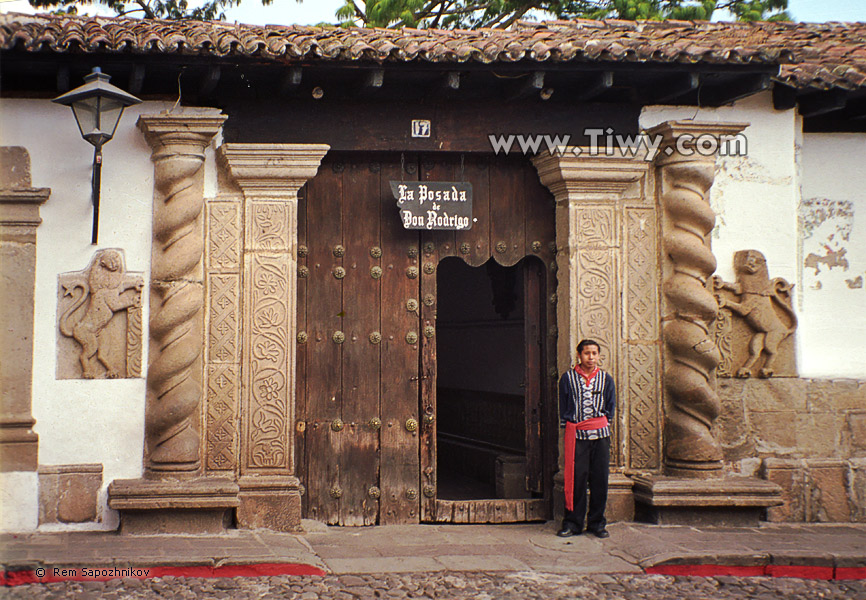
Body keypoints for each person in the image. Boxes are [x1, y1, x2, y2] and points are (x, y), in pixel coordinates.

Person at [556, 339, 616, 538]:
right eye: (587, 353)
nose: (591, 357)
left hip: (600, 435)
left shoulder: (606, 379)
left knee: (600, 479)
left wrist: (602, 422)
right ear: (579, 355)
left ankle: (597, 523)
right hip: (577, 437)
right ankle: (573, 523)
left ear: (599, 356)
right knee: (576, 480)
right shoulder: (568, 378)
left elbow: (610, 406)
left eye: (594, 353)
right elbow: (564, 406)